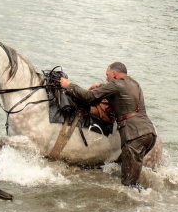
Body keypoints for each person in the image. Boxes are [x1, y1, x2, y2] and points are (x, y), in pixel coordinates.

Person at [59, 62, 156, 190]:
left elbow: (90, 97)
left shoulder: (115, 84)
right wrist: (100, 86)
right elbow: (121, 91)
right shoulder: (134, 83)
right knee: (132, 177)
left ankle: (136, 206)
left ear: (114, 74)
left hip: (134, 136)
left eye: (107, 75)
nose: (106, 78)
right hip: (149, 134)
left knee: (129, 186)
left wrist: (69, 85)